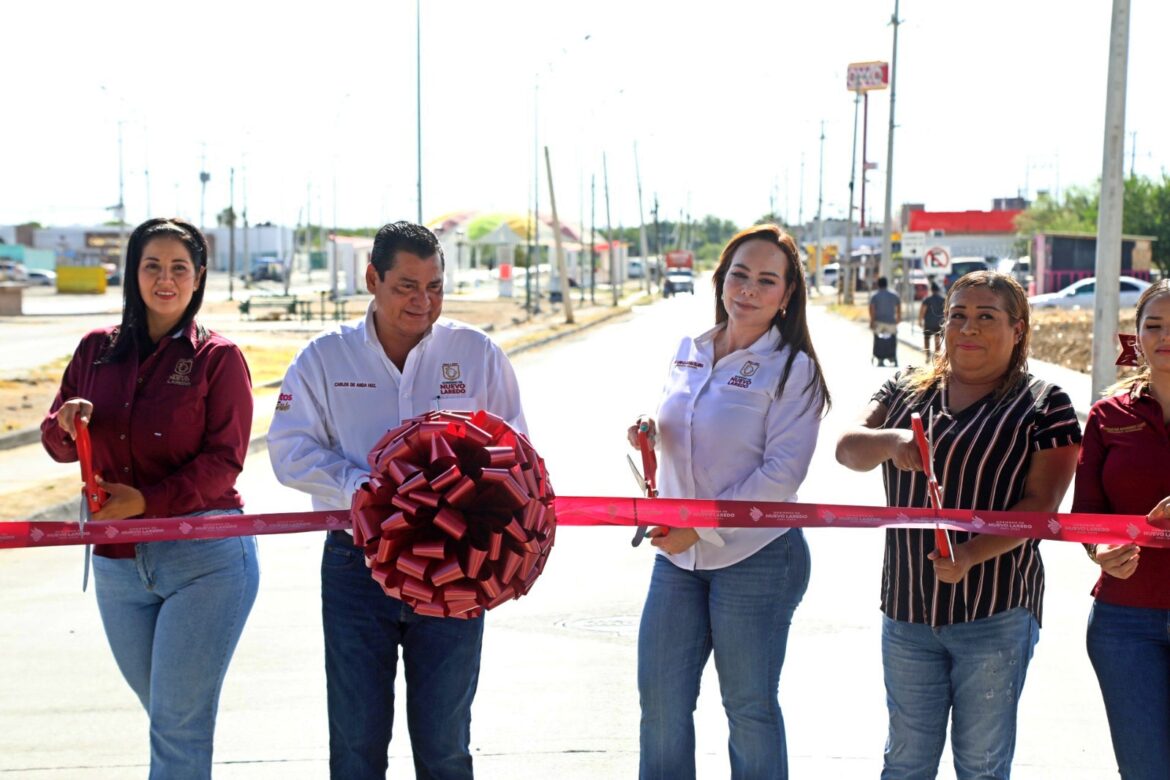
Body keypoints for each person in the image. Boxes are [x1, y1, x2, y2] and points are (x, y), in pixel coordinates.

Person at [267, 220, 527, 779]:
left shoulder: (478, 354)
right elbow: (289, 451)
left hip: (458, 568)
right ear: (371, 279)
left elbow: (516, 458)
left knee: (445, 748)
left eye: (435, 286)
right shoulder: (324, 359)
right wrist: (362, 489)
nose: (423, 301)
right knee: (356, 748)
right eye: (406, 285)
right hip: (356, 564)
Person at [835, 271, 1080, 780]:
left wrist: (970, 555)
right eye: (958, 316)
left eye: (986, 317)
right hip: (906, 611)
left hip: (995, 612)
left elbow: (1042, 507)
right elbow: (847, 448)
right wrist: (890, 443)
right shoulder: (906, 388)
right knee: (905, 763)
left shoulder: (1044, 403)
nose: (968, 328)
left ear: (1018, 329)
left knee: (982, 767)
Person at [40, 217, 258, 779]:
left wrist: (147, 501)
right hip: (117, 564)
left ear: (199, 277)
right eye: (152, 265)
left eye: (179, 267)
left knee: (177, 731)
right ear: (133, 273)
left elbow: (223, 463)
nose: (165, 279)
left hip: (204, 562)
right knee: (168, 719)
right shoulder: (95, 351)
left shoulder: (218, 358)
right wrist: (67, 424)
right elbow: (57, 443)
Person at [628, 224, 830, 779]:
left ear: (786, 295)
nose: (749, 289)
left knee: (749, 710)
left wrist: (701, 525)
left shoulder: (794, 368)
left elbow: (782, 473)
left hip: (757, 557)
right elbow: (688, 428)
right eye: (739, 275)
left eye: (767, 280)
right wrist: (651, 431)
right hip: (677, 558)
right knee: (661, 707)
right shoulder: (690, 351)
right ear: (721, 279)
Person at [1073, 279, 1170, 780]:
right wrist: (1100, 547)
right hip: (1125, 624)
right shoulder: (1108, 416)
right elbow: (1088, 512)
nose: (1165, 336)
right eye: (1153, 325)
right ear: (1136, 337)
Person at [869, 276, 901, 367]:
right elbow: (898, 305)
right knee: (892, 339)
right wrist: (898, 317)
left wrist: (872, 321)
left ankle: (880, 358)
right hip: (891, 322)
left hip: (879, 322)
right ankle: (892, 356)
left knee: (878, 339)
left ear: (878, 284)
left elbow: (872, 309)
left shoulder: (875, 295)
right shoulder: (894, 294)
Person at [918, 280, 945, 363]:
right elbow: (945, 311)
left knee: (927, 339)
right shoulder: (943, 299)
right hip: (939, 323)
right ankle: (937, 357)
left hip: (928, 323)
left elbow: (923, 311)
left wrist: (920, 320)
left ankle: (927, 355)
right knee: (937, 340)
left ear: (931, 290)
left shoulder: (927, 299)